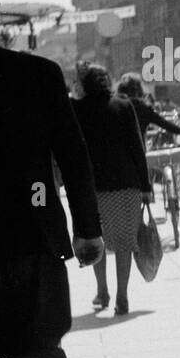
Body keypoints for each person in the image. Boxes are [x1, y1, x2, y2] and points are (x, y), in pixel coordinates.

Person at [0, 0, 104, 358]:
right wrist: (88, 230)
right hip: (35, 243)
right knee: (41, 347)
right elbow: (74, 155)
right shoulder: (38, 75)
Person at [72, 65, 154, 317]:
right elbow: (136, 148)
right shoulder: (123, 105)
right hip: (125, 187)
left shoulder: (77, 109)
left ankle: (102, 291)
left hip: (92, 188)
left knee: (95, 236)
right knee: (124, 243)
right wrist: (145, 186)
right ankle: (122, 296)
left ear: (84, 85)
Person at [117, 73, 180, 143]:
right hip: (137, 152)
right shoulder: (144, 109)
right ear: (138, 90)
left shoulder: (115, 107)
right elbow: (165, 124)